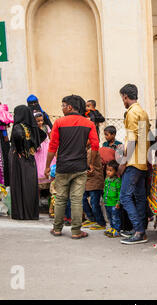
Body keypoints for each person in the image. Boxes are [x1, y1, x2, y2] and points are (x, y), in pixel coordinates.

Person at [45, 95, 99, 239]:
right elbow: (95, 145)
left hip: (62, 167)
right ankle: (76, 231)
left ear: (69, 107)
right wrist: (92, 163)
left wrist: (47, 166)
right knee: (76, 199)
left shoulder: (59, 122)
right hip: (80, 167)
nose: (62, 108)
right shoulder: (89, 124)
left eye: (63, 106)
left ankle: (57, 229)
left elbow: (52, 146)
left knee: (61, 198)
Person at [117, 84, 151, 244]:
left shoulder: (131, 113)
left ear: (125, 96)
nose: (122, 101)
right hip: (142, 161)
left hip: (133, 162)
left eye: (122, 98)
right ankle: (140, 229)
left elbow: (132, 140)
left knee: (124, 197)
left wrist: (123, 162)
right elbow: (145, 138)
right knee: (139, 197)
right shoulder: (143, 112)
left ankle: (138, 231)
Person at [9, 105, 46, 220]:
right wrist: (31, 147)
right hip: (30, 159)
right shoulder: (33, 127)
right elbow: (43, 135)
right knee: (29, 185)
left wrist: (20, 149)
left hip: (18, 160)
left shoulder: (18, 127)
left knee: (19, 184)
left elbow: (18, 136)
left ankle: (20, 214)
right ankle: (31, 213)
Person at [82, 143, 106, 230]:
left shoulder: (92, 150)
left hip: (95, 180)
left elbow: (86, 164)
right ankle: (92, 218)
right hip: (88, 180)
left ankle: (101, 223)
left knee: (94, 203)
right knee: (82, 198)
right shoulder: (87, 149)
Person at [34, 111, 55, 188]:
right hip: (39, 148)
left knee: (48, 161)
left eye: (41, 120)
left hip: (47, 147)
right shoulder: (34, 129)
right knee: (39, 163)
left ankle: (50, 181)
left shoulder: (46, 127)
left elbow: (50, 137)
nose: (40, 122)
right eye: (38, 121)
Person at [103, 160, 122, 238]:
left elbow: (119, 192)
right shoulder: (107, 180)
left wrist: (118, 202)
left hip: (114, 203)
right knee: (110, 217)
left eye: (110, 170)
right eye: (107, 170)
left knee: (115, 217)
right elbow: (105, 190)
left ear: (116, 171)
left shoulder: (117, 181)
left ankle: (117, 230)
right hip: (107, 203)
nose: (108, 172)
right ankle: (112, 228)